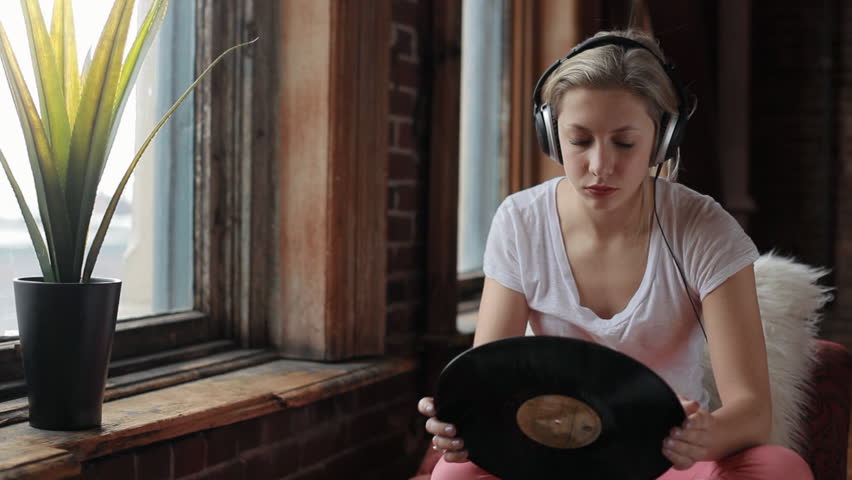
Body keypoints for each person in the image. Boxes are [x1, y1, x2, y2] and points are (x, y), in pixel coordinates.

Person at [417, 29, 814, 480]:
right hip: (547, 454)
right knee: (453, 475)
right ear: (551, 136)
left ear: (662, 140)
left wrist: (703, 436)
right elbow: (485, 381)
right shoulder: (520, 222)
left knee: (779, 467)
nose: (600, 166)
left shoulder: (705, 229)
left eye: (624, 143)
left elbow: (752, 413)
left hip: (668, 459)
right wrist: (462, 420)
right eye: (580, 141)